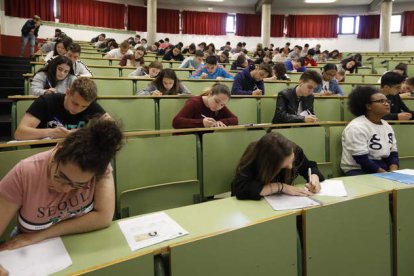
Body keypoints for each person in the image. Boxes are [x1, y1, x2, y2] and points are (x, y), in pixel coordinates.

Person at [0, 118, 123, 250]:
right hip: (30, 247)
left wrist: (41, 235)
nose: (65, 189)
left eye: (78, 184)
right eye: (62, 177)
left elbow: (103, 217)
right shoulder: (24, 173)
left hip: (75, 242)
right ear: (59, 149)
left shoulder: (99, 167)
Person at [231, 132, 324, 200]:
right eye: (285, 165)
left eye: (291, 161)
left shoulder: (293, 150)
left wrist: (314, 179)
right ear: (269, 164)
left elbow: (310, 167)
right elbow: (240, 189)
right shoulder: (254, 155)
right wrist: (282, 187)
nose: (291, 167)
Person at [16, 77, 108, 140]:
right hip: (44, 152)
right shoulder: (46, 101)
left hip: (75, 154)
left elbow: (111, 126)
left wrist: (89, 132)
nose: (78, 110)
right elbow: (20, 133)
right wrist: (52, 132)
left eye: (84, 107)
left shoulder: (91, 104)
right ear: (68, 92)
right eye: (75, 103)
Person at [341, 86, 399, 176]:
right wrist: (386, 175)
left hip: (382, 169)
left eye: (387, 101)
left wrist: (394, 172)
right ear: (368, 106)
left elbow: (393, 153)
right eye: (381, 101)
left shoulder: (387, 126)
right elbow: (361, 159)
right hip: (358, 170)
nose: (386, 104)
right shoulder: (356, 127)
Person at [172, 83, 238, 128]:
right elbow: (176, 122)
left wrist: (221, 122)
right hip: (189, 139)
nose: (218, 106)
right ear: (210, 94)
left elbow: (235, 119)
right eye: (216, 101)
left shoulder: (220, 105)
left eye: (222, 105)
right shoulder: (194, 102)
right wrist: (201, 123)